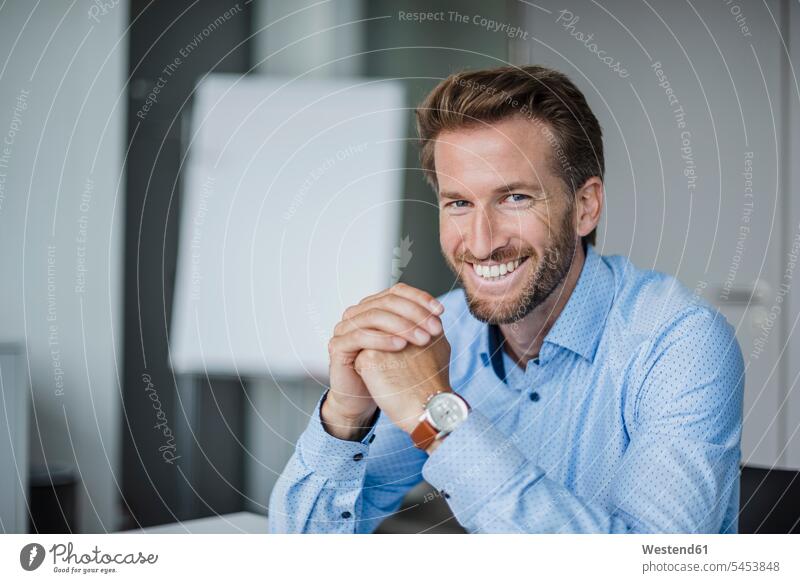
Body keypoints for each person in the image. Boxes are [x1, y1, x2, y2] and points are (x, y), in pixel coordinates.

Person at [268, 65, 744, 533]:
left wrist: (438, 417)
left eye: (514, 198)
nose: (480, 243)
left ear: (585, 207)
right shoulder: (440, 334)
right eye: (459, 202)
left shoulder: (680, 344)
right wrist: (345, 418)